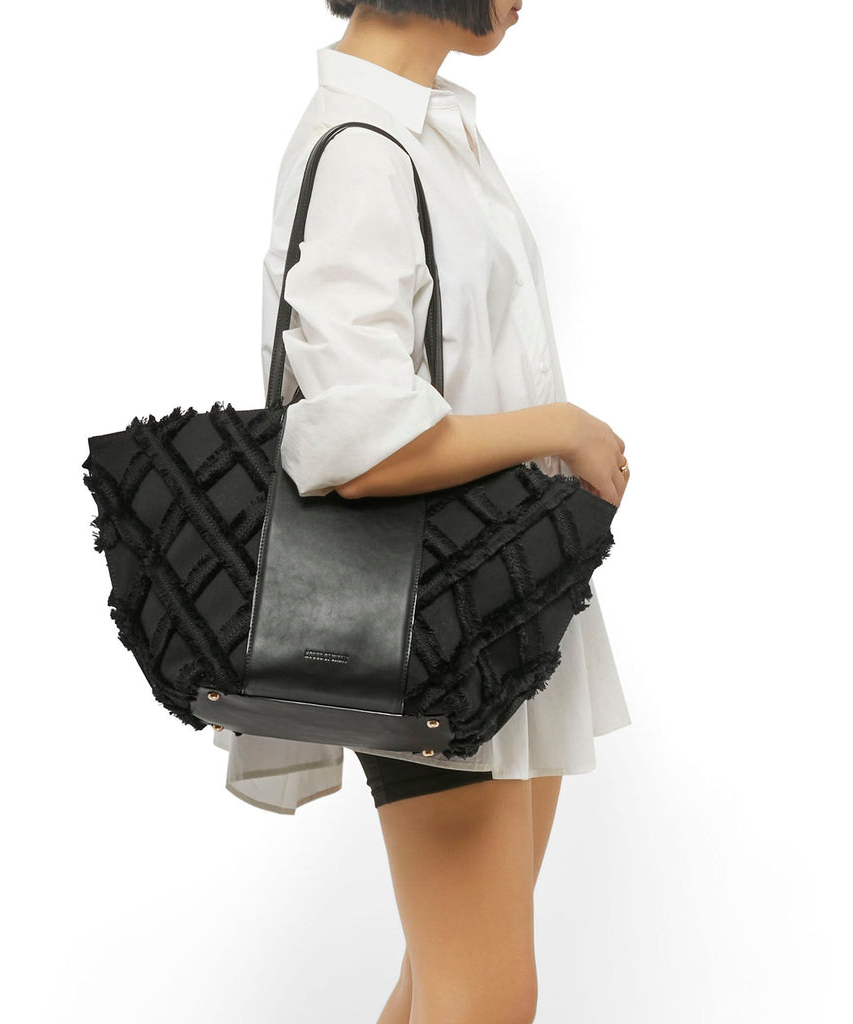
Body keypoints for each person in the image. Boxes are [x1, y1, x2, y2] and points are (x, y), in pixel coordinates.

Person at [215, 3, 633, 1020]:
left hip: (496, 604)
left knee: (443, 987)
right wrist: (562, 428)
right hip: (427, 624)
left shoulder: (420, 128)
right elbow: (357, 445)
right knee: (482, 997)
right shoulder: (366, 146)